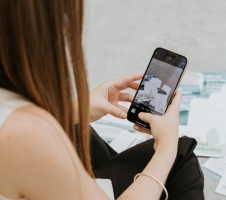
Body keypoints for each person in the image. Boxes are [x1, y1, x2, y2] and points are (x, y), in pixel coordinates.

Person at [0, 1, 203, 199]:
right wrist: (167, 148)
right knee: (182, 154)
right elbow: (28, 132)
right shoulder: (25, 132)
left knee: (80, 127)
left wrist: (79, 110)